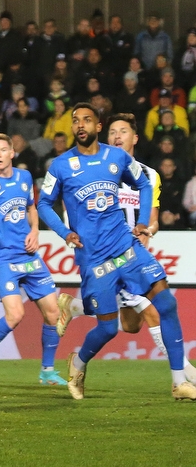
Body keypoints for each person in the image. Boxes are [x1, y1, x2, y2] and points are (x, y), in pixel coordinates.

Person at [37, 103, 196, 400]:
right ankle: (79, 361)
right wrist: (65, 232)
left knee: (166, 303)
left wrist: (142, 224)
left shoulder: (117, 158)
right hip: (94, 257)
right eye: (75, 121)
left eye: (87, 120)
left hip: (126, 246)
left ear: (98, 127)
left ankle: (179, 383)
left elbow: (145, 185)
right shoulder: (60, 165)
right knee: (110, 328)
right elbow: (43, 204)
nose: (80, 125)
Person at [0, 134, 67, 387]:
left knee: (53, 313)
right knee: (15, 314)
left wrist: (35, 231)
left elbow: (31, 206)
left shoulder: (25, 178)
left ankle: (47, 371)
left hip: (29, 255)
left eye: (2, 149)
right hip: (3, 257)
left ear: (12, 153)